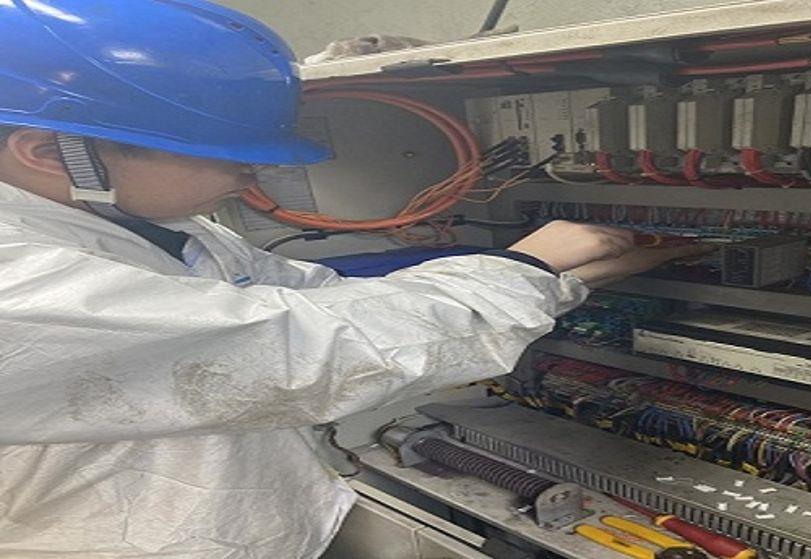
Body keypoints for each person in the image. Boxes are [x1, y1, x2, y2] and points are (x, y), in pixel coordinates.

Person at [0, 1, 708, 558]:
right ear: (50, 152)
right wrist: (524, 266)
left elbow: (319, 299)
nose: (254, 175)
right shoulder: (18, 280)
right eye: (230, 156)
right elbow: (302, 346)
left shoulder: (150, 223)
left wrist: (568, 279)